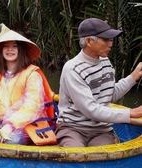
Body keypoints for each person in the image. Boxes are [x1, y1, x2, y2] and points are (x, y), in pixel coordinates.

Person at [56, 18, 142, 147]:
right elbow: (90, 109)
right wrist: (131, 113)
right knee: (76, 153)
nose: (111, 44)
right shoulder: (73, 69)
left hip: (101, 130)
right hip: (73, 127)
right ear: (89, 41)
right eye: (106, 39)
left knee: (106, 153)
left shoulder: (105, 62)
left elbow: (109, 95)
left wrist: (133, 77)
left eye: (111, 39)